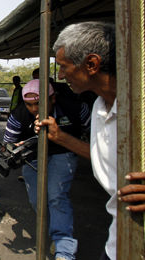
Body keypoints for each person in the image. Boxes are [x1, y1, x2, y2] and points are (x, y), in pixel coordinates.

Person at [34, 22, 143, 260]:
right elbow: (104, 157)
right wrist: (60, 137)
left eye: (63, 67)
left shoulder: (139, 107)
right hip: (118, 242)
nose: (60, 76)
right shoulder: (100, 107)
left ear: (91, 64)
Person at [4, 79, 90, 260]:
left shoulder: (75, 109)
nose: (35, 109)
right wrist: (16, 147)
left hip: (64, 153)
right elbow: (7, 145)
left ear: (53, 99)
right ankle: (55, 232)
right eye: (29, 105)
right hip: (32, 157)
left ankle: (64, 248)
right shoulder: (18, 115)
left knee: (57, 196)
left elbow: (95, 135)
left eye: (39, 104)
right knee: (37, 200)